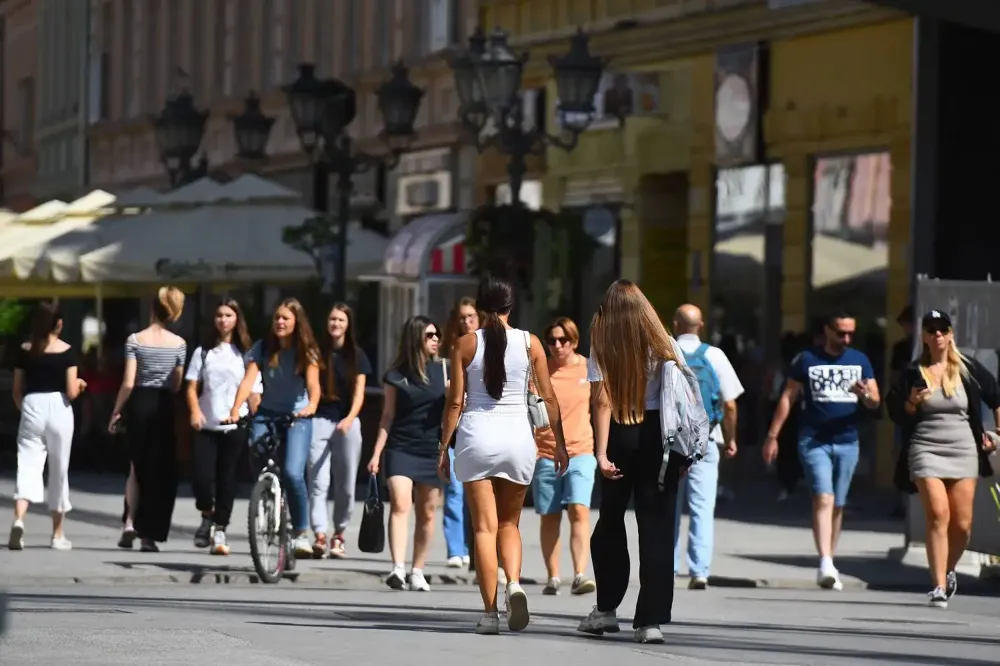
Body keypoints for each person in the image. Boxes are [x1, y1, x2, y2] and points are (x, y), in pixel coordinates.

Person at [439, 275, 568, 635]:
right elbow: (550, 398)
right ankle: (514, 582)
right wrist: (558, 443)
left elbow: (454, 403)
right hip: (518, 438)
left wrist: (442, 448)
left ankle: (489, 613)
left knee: (483, 527)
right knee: (509, 524)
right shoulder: (531, 344)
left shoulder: (465, 344)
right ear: (512, 307)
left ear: (480, 308)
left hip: (476, 436)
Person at [576, 279, 701, 645]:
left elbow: (601, 401)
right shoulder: (665, 343)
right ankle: (650, 621)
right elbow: (681, 398)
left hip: (620, 433)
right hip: (659, 439)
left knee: (611, 522)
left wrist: (600, 453)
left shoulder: (603, 341)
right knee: (657, 527)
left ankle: (605, 610)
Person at [887, 310, 1000, 608]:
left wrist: (998, 432)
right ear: (923, 336)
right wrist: (912, 403)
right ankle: (938, 585)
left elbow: (995, 396)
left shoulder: (968, 369)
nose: (937, 335)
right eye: (931, 330)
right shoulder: (914, 372)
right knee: (938, 515)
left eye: (942, 329)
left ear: (950, 334)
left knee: (962, 525)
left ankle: (948, 569)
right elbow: (895, 410)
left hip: (964, 450)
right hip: (926, 449)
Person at [763, 309, 880, 591]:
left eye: (851, 333)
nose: (847, 338)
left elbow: (875, 401)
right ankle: (825, 561)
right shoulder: (807, 359)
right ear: (827, 331)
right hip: (813, 439)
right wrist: (772, 435)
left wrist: (863, 393)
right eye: (841, 333)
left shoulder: (860, 360)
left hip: (847, 441)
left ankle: (830, 557)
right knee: (823, 498)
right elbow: (788, 397)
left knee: (838, 503)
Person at [227, 298, 321, 558]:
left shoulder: (307, 350)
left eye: (285, 318)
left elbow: (314, 385)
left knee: (292, 473)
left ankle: (301, 532)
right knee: (255, 450)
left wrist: (312, 404)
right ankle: (267, 496)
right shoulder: (263, 348)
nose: (280, 322)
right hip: (267, 413)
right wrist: (235, 410)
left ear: (296, 323)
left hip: (297, 416)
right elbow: (248, 382)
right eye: (277, 318)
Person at [368, 316, 447, 592]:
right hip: (400, 446)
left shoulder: (443, 370)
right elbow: (387, 417)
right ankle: (398, 568)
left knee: (427, 511)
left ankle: (418, 569)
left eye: (437, 334)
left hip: (430, 449)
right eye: (429, 335)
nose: (436, 339)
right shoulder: (395, 374)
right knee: (401, 504)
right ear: (416, 338)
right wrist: (376, 454)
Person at [671, 304, 744, 590]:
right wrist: (731, 438)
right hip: (707, 439)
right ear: (700, 325)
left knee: (670, 505)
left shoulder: (663, 352)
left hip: (671, 442)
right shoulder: (715, 356)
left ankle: (669, 566)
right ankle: (699, 570)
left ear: (675, 324)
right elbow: (729, 403)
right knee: (702, 505)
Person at [110, 286, 187, 552]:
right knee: (158, 471)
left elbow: (129, 382)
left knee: (136, 467)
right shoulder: (179, 344)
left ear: (152, 308)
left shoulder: (135, 339)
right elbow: (177, 383)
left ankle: (129, 522)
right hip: (163, 405)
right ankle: (148, 536)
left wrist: (116, 410)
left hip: (139, 403)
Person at [185, 298, 262, 556]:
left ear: (237, 319)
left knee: (228, 480)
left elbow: (253, 390)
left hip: (235, 425)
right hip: (207, 423)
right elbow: (191, 387)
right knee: (202, 478)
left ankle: (220, 527)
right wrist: (195, 410)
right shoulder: (203, 352)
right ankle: (207, 513)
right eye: (219, 315)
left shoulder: (247, 353)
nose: (223, 320)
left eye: (228, 315)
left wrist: (256, 414)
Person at [8, 303, 87, 551]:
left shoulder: (25, 350)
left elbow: (16, 392)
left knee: (28, 467)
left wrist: (27, 409)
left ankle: (19, 520)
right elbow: (72, 391)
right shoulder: (67, 351)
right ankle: (57, 534)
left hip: (32, 404)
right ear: (59, 324)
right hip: (58, 407)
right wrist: (82, 385)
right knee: (59, 470)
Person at [533, 317, 597, 596]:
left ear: (574, 341)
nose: (557, 346)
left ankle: (580, 574)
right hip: (545, 453)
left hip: (581, 451)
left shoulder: (588, 368)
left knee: (579, 510)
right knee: (550, 516)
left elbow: (601, 408)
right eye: (552, 341)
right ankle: (553, 576)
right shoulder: (539, 371)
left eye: (564, 340)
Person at [308, 303, 371, 559]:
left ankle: (339, 533)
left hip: (347, 422)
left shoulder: (357, 356)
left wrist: (350, 419)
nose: (335, 324)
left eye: (341, 320)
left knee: (345, 484)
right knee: (317, 481)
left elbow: (359, 393)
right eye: (332, 319)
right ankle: (320, 534)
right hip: (319, 419)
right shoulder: (316, 353)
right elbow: (311, 386)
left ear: (348, 325)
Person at [440, 297, 479, 568]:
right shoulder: (448, 353)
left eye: (471, 316)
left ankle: (473, 548)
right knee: (454, 491)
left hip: (477, 432)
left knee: (473, 495)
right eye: (462, 317)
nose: (466, 321)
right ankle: (456, 549)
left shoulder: (486, 349)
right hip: (454, 433)